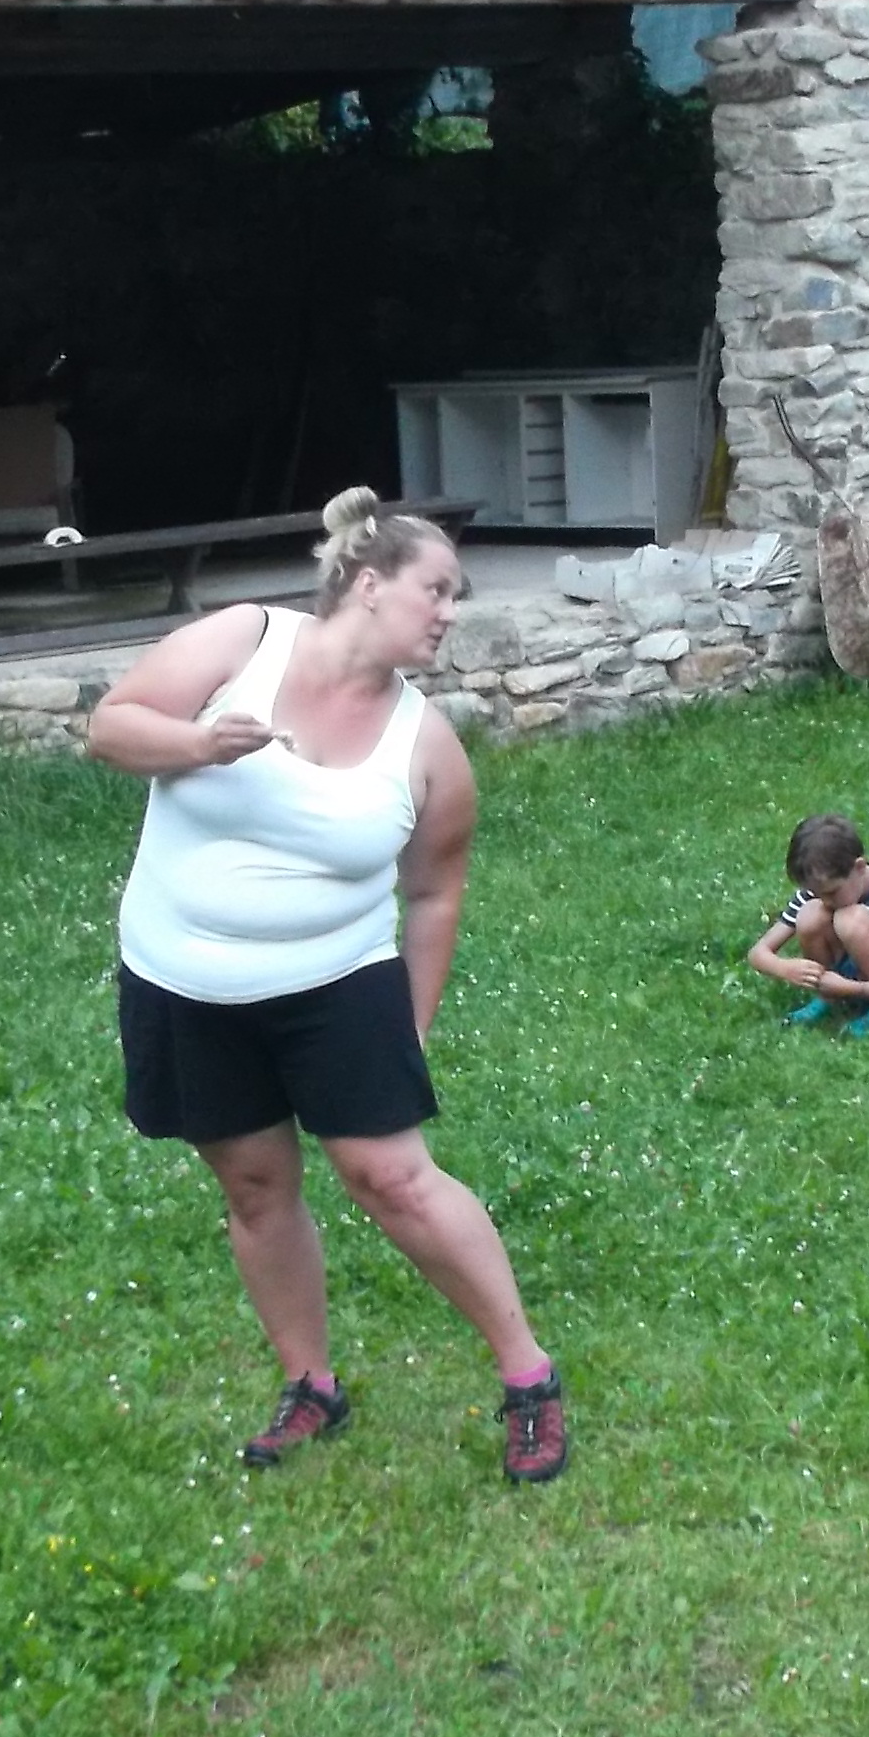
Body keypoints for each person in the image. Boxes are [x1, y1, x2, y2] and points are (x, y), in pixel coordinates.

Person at [82, 488, 568, 1485]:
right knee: (255, 1185)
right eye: (437, 590)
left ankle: (528, 1376)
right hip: (181, 978)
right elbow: (111, 728)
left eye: (457, 597)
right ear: (368, 582)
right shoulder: (244, 642)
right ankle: (311, 1385)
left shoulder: (426, 746)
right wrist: (200, 744)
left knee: (393, 1178)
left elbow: (432, 894)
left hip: (336, 982)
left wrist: (412, 1023)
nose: (449, 612)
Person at [745, 813, 869, 1031]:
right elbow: (757, 953)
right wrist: (784, 968)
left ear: (859, 867)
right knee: (809, 916)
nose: (824, 900)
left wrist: (851, 988)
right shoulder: (818, 891)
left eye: (832, 892)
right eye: (816, 892)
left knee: (849, 921)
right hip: (852, 974)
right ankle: (829, 997)